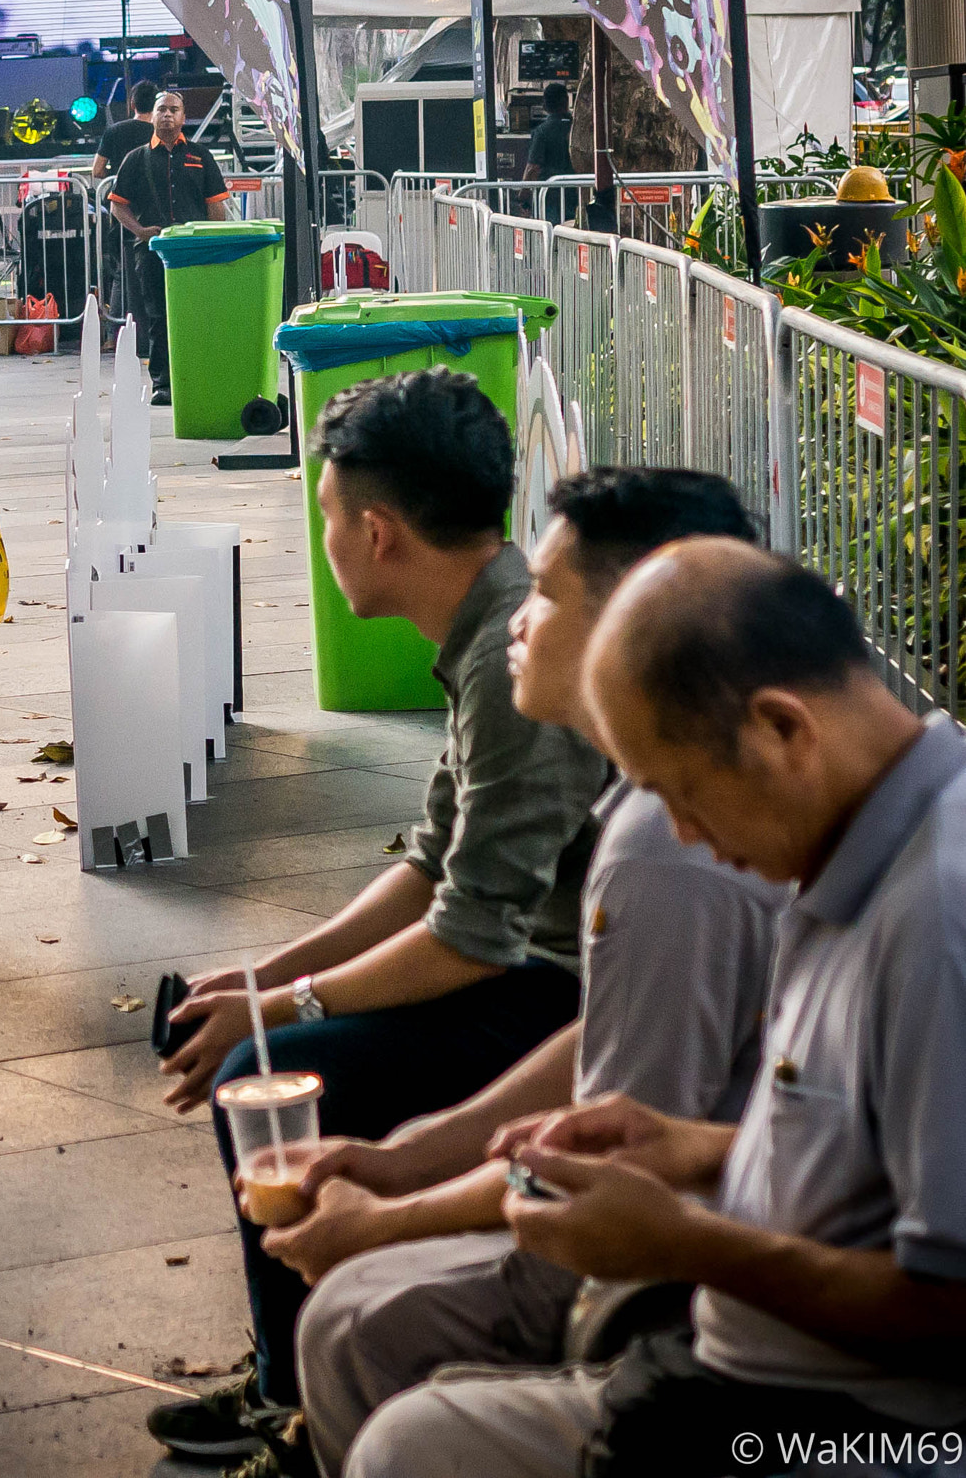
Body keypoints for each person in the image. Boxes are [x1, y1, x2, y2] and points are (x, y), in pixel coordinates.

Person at [343, 540, 966, 1478]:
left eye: (680, 792)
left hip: (864, 1430)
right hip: (747, 1372)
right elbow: (873, 1154)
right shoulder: (846, 840)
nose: (680, 833)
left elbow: (947, 1300)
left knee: (409, 1446)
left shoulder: (937, 918)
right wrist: (691, 1147)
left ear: (780, 731)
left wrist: (684, 1241)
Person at [274, 470, 785, 1478]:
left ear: (636, 624)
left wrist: (389, 1209)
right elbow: (609, 1047)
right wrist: (415, 1155)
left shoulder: (665, 844)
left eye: (548, 593)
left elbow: (630, 1151)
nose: (522, 615)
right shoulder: (658, 810)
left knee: (357, 1327)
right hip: (689, 1225)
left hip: (687, 1297)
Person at [150, 369, 605, 1451]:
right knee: (268, 1046)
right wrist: (263, 981)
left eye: (325, 518)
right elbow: (430, 858)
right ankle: (298, 1367)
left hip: (569, 993)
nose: (324, 541)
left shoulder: (511, 651)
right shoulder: (488, 619)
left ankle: (294, 1404)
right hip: (522, 961)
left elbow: (473, 933)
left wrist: (280, 1008)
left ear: (379, 528)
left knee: (268, 1076)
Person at [109, 89, 228, 403]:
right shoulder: (136, 159)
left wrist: (212, 242)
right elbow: (118, 206)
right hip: (153, 252)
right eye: (162, 109)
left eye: (173, 109)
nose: (167, 115)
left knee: (199, 314)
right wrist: (141, 231)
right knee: (158, 317)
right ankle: (164, 384)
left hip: (194, 252)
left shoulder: (201, 156)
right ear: (152, 115)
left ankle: (202, 374)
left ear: (183, 117)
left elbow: (216, 206)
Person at [92, 79, 158, 341]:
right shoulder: (161, 133)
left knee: (122, 270)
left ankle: (115, 335)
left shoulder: (115, 131)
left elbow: (97, 170)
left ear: (132, 103)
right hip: (154, 210)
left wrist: (118, 177)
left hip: (122, 210)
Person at [523, 82, 575, 225]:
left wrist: (524, 195)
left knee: (550, 237)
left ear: (545, 105)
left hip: (549, 198)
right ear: (567, 101)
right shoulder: (578, 128)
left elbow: (533, 168)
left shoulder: (541, 132)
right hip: (577, 193)